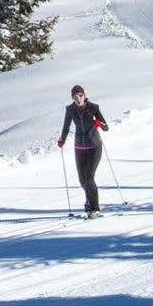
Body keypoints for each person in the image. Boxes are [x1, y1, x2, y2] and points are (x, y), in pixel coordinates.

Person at [57, 84, 109, 216]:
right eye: (75, 97)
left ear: (84, 95)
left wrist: (98, 123)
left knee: (89, 177)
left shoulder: (93, 107)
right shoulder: (70, 110)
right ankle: (89, 201)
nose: (78, 99)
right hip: (79, 147)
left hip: (94, 146)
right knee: (82, 179)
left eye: (80, 96)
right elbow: (66, 127)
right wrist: (62, 139)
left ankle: (95, 208)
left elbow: (105, 127)